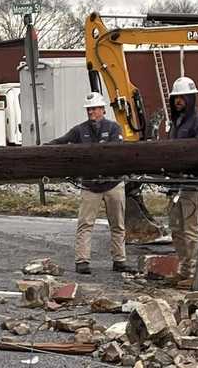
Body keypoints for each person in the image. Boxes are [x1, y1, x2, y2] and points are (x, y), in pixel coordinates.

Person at [49, 92, 134, 275]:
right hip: (90, 185)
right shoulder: (80, 130)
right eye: (89, 109)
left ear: (103, 110)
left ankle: (119, 260)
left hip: (112, 183)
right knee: (85, 224)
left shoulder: (113, 128)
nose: (91, 112)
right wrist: (44, 147)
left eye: (94, 109)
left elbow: (115, 152)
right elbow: (62, 142)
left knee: (118, 224)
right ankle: (82, 261)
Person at [166, 76, 198, 289]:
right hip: (176, 184)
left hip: (193, 184)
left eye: (182, 97)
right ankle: (184, 270)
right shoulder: (176, 122)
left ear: (191, 98)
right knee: (176, 229)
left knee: (192, 230)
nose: (179, 101)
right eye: (176, 97)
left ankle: (194, 274)